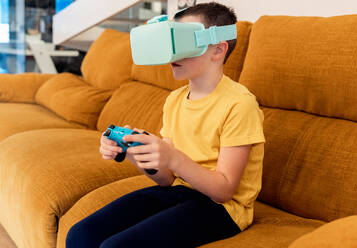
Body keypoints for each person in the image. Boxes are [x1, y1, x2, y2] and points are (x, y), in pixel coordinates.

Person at [66, 2, 265, 248]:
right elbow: (167, 180)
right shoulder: (174, 100)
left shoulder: (240, 104)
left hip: (222, 209)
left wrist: (172, 158)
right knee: (80, 235)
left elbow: (224, 191)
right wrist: (134, 150)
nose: (173, 53)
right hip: (179, 192)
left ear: (217, 50)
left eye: (182, 42)